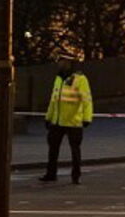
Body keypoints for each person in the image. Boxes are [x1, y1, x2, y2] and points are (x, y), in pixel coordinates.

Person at [39, 55, 93, 184]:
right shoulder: (59, 79)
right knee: (53, 148)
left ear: (69, 63)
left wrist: (86, 118)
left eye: (62, 61)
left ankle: (76, 175)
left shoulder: (80, 79)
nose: (59, 64)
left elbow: (87, 100)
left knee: (75, 150)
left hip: (73, 121)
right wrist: (49, 117)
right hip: (57, 121)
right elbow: (54, 100)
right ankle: (51, 173)